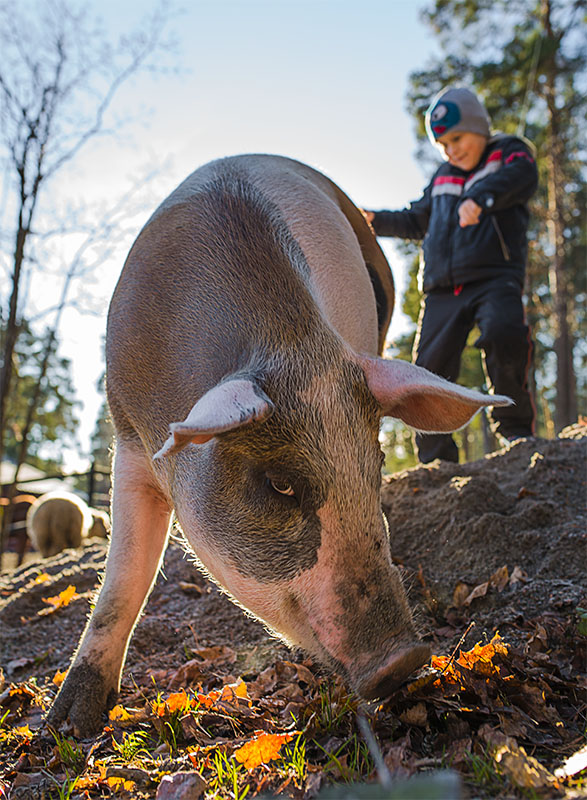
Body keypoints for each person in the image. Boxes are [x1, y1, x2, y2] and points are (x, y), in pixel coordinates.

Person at [364, 86, 538, 463]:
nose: (451, 150)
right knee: (428, 368)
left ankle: (516, 432)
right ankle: (436, 458)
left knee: (504, 333)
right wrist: (373, 222)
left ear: (479, 126)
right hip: (442, 289)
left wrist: (481, 198)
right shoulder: (443, 176)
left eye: (457, 139)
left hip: (495, 276)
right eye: (443, 145)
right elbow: (416, 219)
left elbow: (523, 175)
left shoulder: (508, 152)